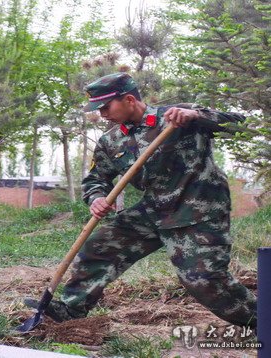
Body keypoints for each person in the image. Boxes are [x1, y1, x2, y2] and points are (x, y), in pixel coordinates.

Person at [42, 72, 257, 328]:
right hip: (153, 209)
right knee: (99, 248)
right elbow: (95, 178)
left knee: (204, 280)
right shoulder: (111, 141)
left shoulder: (178, 116)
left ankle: (262, 321)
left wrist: (197, 116)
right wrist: (96, 197)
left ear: (129, 99)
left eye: (105, 107)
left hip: (198, 210)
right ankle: (70, 311)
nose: (102, 114)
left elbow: (239, 126)